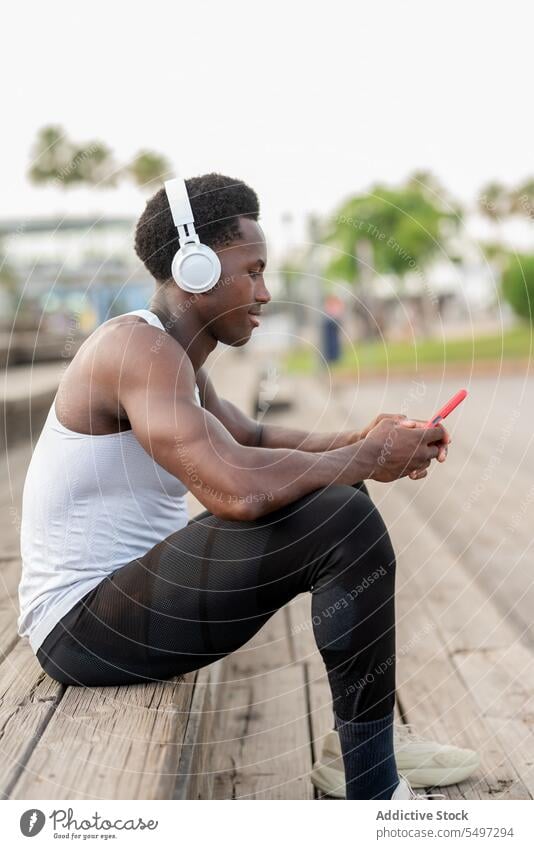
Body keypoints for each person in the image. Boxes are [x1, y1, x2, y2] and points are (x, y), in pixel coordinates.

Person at [17, 172, 476, 800]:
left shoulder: (172, 358)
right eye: (253, 271)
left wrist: (362, 439)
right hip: (83, 628)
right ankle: (372, 789)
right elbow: (237, 491)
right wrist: (366, 457)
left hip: (119, 605)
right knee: (339, 515)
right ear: (197, 268)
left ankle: (362, 751)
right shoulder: (134, 350)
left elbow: (254, 440)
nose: (264, 292)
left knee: (342, 496)